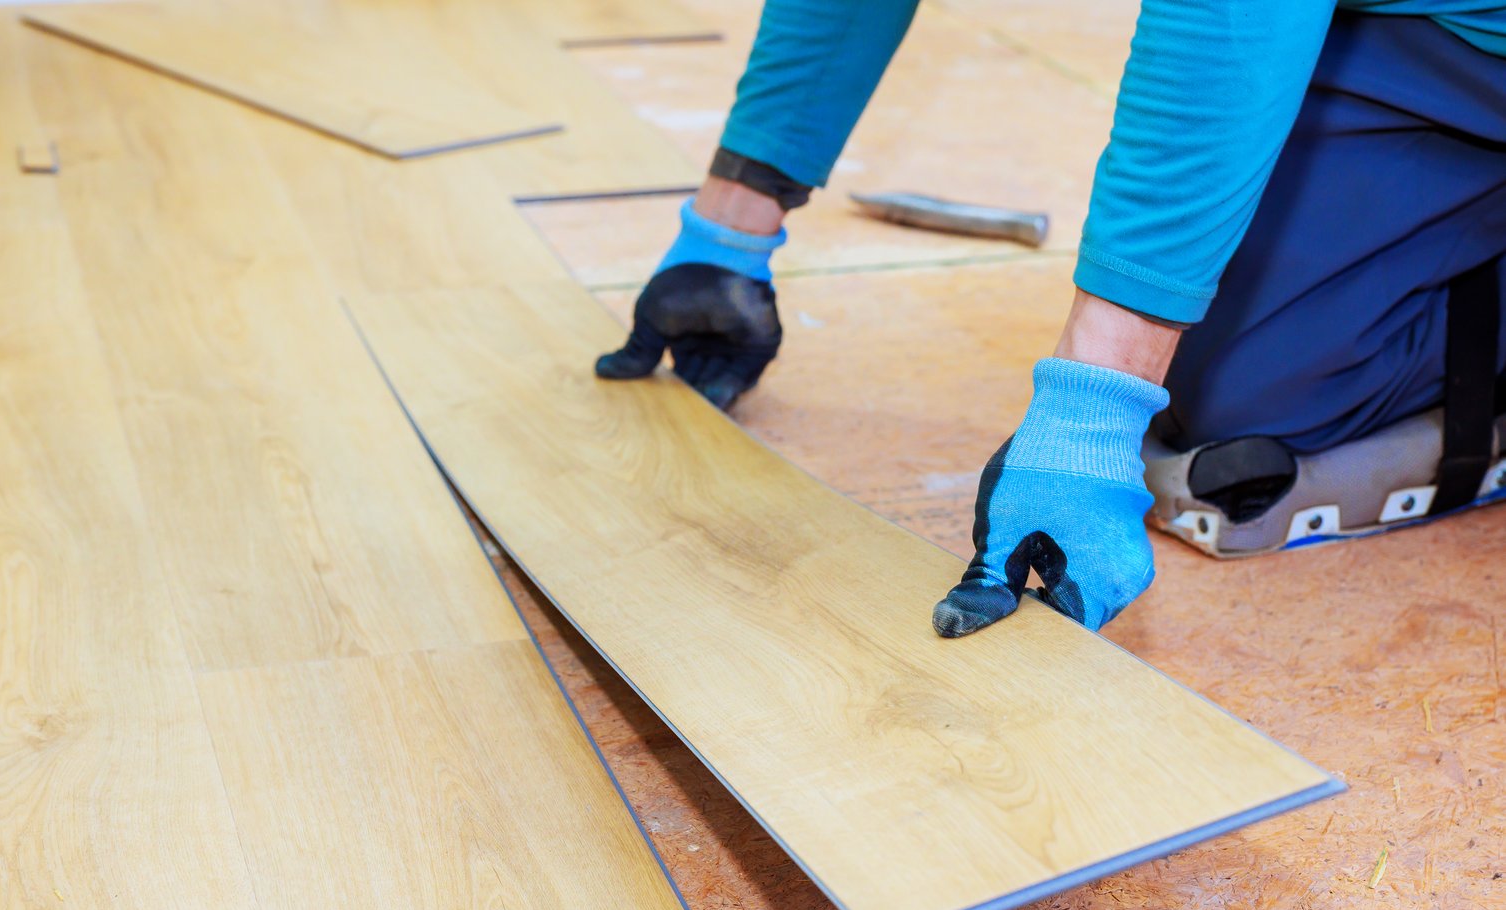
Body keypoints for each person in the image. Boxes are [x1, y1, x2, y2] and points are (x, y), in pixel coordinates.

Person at [596, 1, 1506, 638]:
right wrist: (728, 232)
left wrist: (1092, 408)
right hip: (1412, 27)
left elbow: (1226, 18)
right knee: (1255, 389)